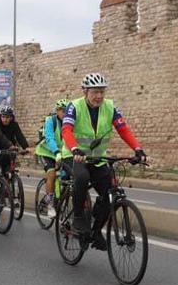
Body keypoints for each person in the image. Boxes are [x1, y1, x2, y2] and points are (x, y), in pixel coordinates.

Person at [61, 73, 147, 248]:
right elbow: (66, 130)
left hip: (97, 159)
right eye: (95, 92)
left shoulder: (110, 107)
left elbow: (123, 130)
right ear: (85, 91)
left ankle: (95, 231)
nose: (99, 96)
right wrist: (75, 148)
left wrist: (137, 149)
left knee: (110, 195)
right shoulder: (74, 106)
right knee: (82, 178)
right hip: (73, 155)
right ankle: (78, 216)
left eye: (102, 91)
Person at [34, 99, 71, 217]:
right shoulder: (50, 121)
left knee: (69, 176)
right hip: (47, 152)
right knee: (52, 174)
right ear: (57, 111)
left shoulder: (71, 122)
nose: (64, 113)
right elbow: (49, 138)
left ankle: (61, 196)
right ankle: (50, 205)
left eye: (67, 111)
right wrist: (56, 152)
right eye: (62, 111)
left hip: (62, 153)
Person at [0, 105, 30, 177]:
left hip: (10, 148)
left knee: (9, 168)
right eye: (3, 117)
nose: (5, 119)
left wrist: (25, 147)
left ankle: (11, 180)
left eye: (7, 117)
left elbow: (19, 136)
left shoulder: (14, 125)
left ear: (11, 117)